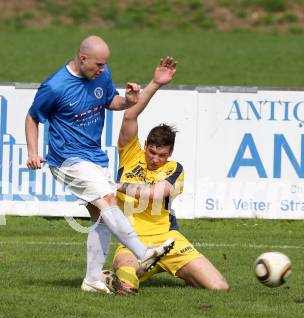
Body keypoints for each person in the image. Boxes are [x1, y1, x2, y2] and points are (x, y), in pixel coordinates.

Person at [25, 36, 175, 294]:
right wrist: (33, 152)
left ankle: (92, 280)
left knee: (101, 218)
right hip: (67, 160)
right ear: (82, 59)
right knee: (108, 200)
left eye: (105, 65)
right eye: (98, 65)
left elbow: (111, 102)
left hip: (93, 158)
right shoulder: (55, 86)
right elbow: (32, 117)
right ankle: (144, 252)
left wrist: (127, 101)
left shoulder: (100, 76)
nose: (103, 70)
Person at [104, 56, 229, 295]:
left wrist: (118, 186)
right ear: (145, 146)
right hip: (133, 242)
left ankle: (166, 267)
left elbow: (155, 194)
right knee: (127, 278)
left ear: (169, 153)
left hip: (168, 241)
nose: (154, 159)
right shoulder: (130, 155)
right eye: (151, 152)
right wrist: (155, 83)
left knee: (219, 287)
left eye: (161, 155)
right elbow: (130, 116)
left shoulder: (174, 169)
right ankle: (138, 270)